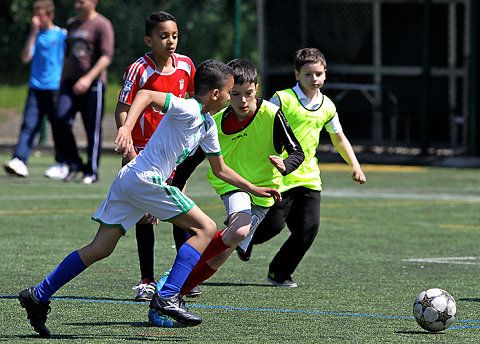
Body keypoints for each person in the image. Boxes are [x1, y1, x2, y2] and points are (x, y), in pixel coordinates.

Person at [18, 60, 281, 337]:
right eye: (230, 92)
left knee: (101, 247)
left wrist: (254, 189)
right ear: (216, 93)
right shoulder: (189, 108)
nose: (231, 98)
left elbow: (221, 170)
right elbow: (145, 94)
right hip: (144, 178)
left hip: (133, 180)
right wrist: (126, 128)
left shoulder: (207, 125)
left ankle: (38, 294)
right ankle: (167, 296)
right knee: (204, 228)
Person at [161, 59, 304, 301]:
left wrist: (285, 165)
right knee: (238, 230)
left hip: (264, 192)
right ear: (226, 94)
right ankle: (175, 279)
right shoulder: (214, 123)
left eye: (248, 93)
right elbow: (189, 164)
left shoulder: (271, 113)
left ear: (256, 89)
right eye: (235, 94)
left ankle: (172, 295)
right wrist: (167, 195)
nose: (243, 100)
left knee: (221, 254)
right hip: (233, 185)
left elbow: (297, 152)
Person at [237, 48, 367, 287]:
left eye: (318, 73)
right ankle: (246, 237)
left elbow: (339, 137)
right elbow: (258, 121)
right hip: (280, 175)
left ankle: (279, 272)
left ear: (325, 74)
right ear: (297, 75)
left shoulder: (328, 106)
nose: (314, 78)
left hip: (309, 176)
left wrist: (355, 165)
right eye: (308, 74)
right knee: (274, 225)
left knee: (308, 228)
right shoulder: (283, 98)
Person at [113, 11, 196, 302]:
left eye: (174, 35)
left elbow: (190, 108)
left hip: (175, 153)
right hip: (144, 154)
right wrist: (129, 145)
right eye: (163, 36)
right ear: (149, 40)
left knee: (182, 213)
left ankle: (182, 277)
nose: (170, 41)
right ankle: (147, 281)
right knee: (145, 217)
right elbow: (123, 108)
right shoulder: (139, 69)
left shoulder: (186, 66)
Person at [44, 0, 114, 184]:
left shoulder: (102, 24)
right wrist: (60, 86)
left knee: (93, 129)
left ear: (93, 2)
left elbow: (106, 57)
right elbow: (67, 57)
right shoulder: (71, 23)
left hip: (93, 85)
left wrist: (88, 78)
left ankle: (91, 171)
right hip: (69, 83)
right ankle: (75, 164)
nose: (76, 4)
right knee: (59, 120)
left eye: (80, 1)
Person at [4, 0, 66, 178]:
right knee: (29, 125)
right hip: (35, 88)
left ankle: (61, 163)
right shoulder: (35, 35)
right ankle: (19, 160)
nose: (36, 18)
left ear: (50, 16)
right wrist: (32, 33)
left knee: (58, 127)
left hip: (55, 89)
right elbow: (25, 57)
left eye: (40, 14)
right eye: (35, 13)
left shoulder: (61, 35)